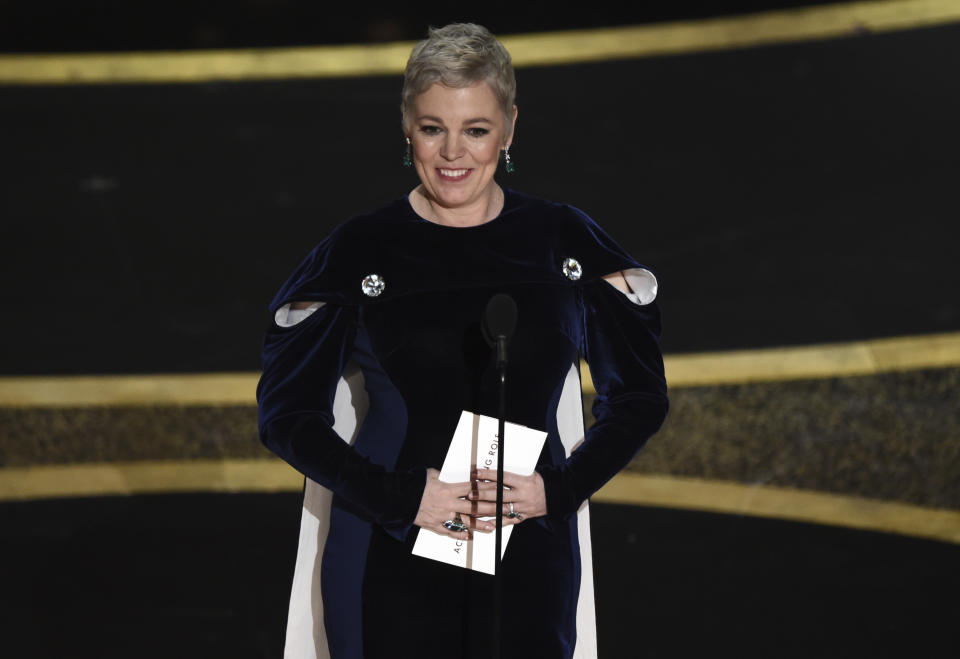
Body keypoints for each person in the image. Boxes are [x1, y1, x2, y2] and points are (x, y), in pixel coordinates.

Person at [256, 23, 668, 659]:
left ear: (507, 128)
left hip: (529, 550)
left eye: (475, 129)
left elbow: (639, 394)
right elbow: (288, 416)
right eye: (432, 128)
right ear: (406, 126)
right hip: (389, 553)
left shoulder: (561, 239)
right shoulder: (359, 250)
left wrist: (557, 490)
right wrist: (401, 498)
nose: (453, 153)